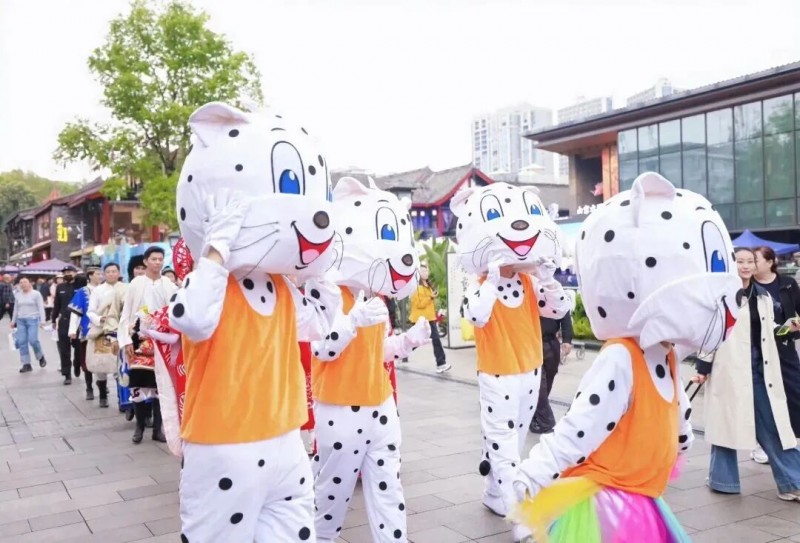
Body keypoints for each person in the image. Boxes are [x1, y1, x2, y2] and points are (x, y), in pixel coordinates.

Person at [509, 173, 740, 543]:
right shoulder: (621, 357)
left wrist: (681, 438)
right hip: (608, 500)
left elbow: (676, 407)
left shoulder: (665, 353)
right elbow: (582, 424)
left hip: (642, 493)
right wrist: (534, 472)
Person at [167, 102, 338, 542]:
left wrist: (320, 270)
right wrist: (217, 248)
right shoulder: (205, 282)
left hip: (286, 441)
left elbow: (319, 327)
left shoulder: (281, 287)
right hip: (224, 446)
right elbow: (192, 319)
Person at [310, 178, 430, 543]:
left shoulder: (375, 295)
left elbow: (376, 351)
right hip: (340, 407)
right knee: (331, 494)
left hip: (381, 405)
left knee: (388, 488)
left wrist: (407, 342)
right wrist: (351, 322)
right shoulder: (324, 289)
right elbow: (321, 348)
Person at [453, 181, 570, 542]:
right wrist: (490, 279)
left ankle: (494, 493)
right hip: (498, 374)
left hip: (531, 371)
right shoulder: (478, 283)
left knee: (515, 440)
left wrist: (549, 279)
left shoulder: (530, 281)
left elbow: (558, 310)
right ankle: (520, 515)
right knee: (504, 445)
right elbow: (475, 315)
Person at [693, 247, 800, 501]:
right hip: (729, 369)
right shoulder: (722, 297)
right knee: (725, 425)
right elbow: (711, 333)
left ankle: (792, 481)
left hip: (761, 370)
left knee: (773, 425)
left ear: (755, 265)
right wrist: (702, 368)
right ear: (733, 265)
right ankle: (723, 480)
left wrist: (790, 329)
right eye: (740, 261)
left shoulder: (762, 296)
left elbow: (771, 331)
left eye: (750, 261)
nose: (745, 266)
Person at [117, 246, 178, 444]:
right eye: (154, 259)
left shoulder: (168, 285)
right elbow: (126, 314)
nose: (157, 262)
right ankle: (140, 426)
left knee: (161, 385)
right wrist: (126, 340)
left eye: (160, 259)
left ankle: (158, 429)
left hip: (162, 339)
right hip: (139, 340)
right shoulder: (136, 284)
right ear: (145, 261)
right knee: (138, 384)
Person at [753, 245, 800, 465]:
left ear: (770, 262)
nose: (751, 265)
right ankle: (761, 444)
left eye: (755, 260)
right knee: (764, 396)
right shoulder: (749, 287)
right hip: (759, 350)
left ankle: (792, 438)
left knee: (794, 391)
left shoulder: (787, 284)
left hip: (785, 347)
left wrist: (795, 326)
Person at [86, 262, 127, 408]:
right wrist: (99, 319)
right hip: (102, 330)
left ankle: (122, 399)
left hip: (121, 330)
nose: (111, 274)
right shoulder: (98, 291)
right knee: (101, 365)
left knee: (120, 364)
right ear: (104, 274)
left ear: (119, 272)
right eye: (108, 271)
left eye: (114, 271)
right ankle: (103, 395)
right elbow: (90, 311)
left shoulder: (126, 288)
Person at [529, 310, 573, 434]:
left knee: (548, 380)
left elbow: (564, 312)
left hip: (551, 343)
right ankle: (547, 422)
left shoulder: (556, 298)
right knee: (539, 384)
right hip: (532, 343)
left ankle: (536, 416)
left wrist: (567, 339)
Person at [68, 268, 103, 400]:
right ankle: (89, 387)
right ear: (90, 276)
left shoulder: (106, 289)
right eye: (97, 274)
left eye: (101, 274)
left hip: (104, 330)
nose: (100, 276)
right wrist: (72, 330)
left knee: (102, 360)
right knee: (86, 360)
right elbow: (76, 313)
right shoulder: (83, 292)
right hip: (87, 331)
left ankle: (102, 387)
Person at [410, 262, 450, 373]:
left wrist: (432, 296)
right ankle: (397, 354)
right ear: (418, 273)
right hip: (420, 320)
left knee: (435, 340)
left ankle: (441, 364)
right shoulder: (416, 287)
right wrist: (430, 297)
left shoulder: (428, 285)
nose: (426, 273)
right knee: (415, 342)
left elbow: (429, 301)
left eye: (427, 270)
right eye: (423, 271)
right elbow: (419, 304)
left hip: (429, 318)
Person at [10, 276, 46, 372]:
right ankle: (26, 364)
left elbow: (41, 307)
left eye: (25, 282)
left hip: (33, 319)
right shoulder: (18, 295)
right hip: (20, 320)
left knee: (33, 340)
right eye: (21, 283)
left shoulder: (36, 294)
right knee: (22, 342)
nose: (23, 284)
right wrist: (13, 321)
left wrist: (43, 320)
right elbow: (15, 309)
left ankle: (40, 356)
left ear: (29, 283)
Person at [52, 265, 80, 385]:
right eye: (65, 272)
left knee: (79, 347)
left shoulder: (80, 286)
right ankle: (67, 374)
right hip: (64, 321)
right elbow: (56, 304)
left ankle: (77, 363)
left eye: (70, 272)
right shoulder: (60, 287)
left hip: (78, 322)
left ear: (75, 273)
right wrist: (53, 319)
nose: (67, 274)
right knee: (64, 349)